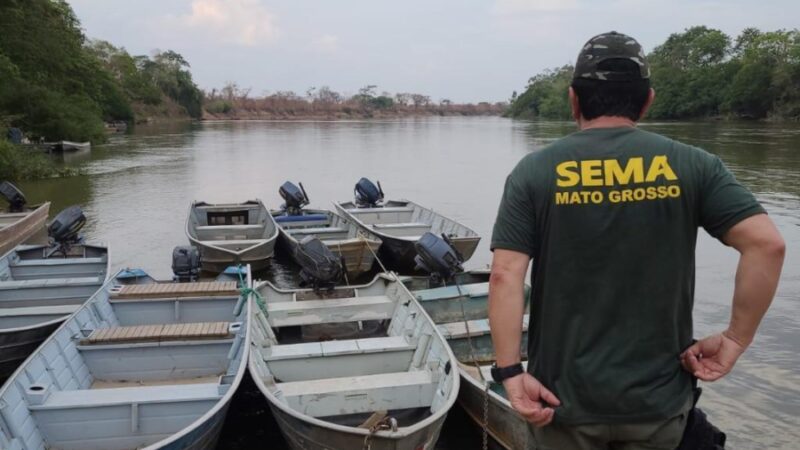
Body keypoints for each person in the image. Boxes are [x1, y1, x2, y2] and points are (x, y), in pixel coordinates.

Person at [487, 31, 785, 450]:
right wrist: (736, 339)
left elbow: (505, 276)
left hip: (562, 403)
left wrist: (510, 373)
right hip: (658, 404)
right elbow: (767, 245)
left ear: (574, 100)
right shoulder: (693, 165)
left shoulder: (534, 172)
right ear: (647, 101)